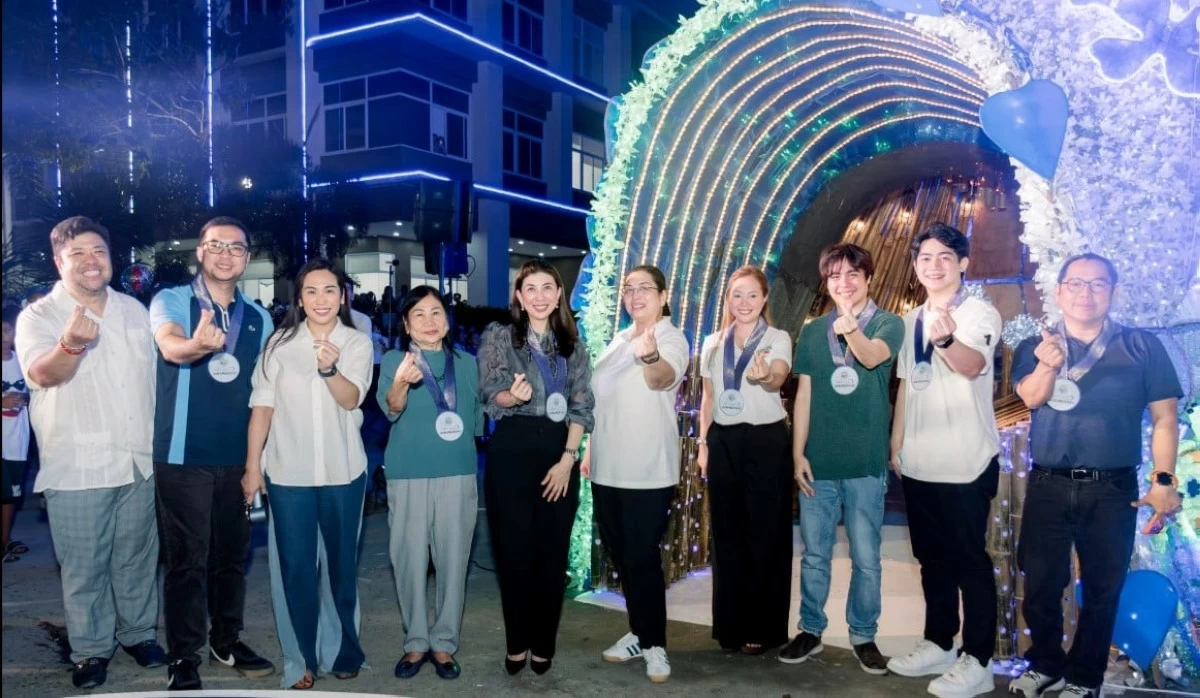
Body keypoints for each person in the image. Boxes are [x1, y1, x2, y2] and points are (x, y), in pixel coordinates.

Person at [1008, 253, 1182, 698]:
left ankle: (1085, 678)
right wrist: (1048, 364)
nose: (1086, 293)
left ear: (1114, 292)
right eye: (1077, 284)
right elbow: (1031, 398)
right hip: (1048, 483)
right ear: (1060, 291)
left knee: (1104, 588)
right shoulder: (1035, 343)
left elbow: (1164, 418)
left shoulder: (1142, 346)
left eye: (1098, 284)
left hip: (1113, 488)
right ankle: (1044, 664)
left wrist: (1164, 480)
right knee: (1041, 585)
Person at [15, 216, 164, 689]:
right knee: (85, 567)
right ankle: (91, 650)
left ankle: (139, 634)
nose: (90, 261)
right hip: (78, 465)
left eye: (97, 250)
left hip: (138, 460)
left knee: (138, 557)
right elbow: (43, 374)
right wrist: (71, 345)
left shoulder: (134, 312)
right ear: (59, 261)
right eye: (77, 253)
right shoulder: (38, 316)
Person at [149, 217, 276, 689]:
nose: (226, 254)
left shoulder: (259, 318)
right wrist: (193, 345)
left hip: (237, 457)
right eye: (216, 245)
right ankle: (184, 654)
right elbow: (168, 346)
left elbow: (263, 394)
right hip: (182, 455)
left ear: (247, 258)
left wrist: (254, 463)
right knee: (186, 560)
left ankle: (226, 639)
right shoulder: (172, 300)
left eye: (236, 247)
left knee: (231, 557)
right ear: (199, 252)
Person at [242, 259, 373, 690]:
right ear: (299, 298)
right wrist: (251, 467)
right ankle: (300, 661)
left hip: (343, 473)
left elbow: (352, 400)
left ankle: (342, 652)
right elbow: (262, 407)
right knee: (294, 569)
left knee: (341, 569)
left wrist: (329, 368)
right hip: (287, 474)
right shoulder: (278, 344)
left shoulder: (356, 342)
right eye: (312, 291)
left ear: (343, 296)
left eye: (330, 290)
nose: (321, 299)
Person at [886, 223, 1002, 698]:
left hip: (966, 461)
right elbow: (907, 388)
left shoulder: (979, 312)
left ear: (962, 264)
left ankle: (979, 659)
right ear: (916, 267)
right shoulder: (910, 319)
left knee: (968, 559)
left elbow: (972, 365)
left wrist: (948, 341)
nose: (933, 266)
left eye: (943, 257)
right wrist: (897, 445)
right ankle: (939, 641)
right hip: (918, 462)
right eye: (925, 258)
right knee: (930, 560)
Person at [780, 244, 904, 674]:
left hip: (866, 461)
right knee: (815, 553)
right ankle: (811, 629)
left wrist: (850, 328)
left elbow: (870, 358)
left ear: (868, 278)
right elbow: (805, 394)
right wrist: (798, 454)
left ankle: (863, 635)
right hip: (820, 461)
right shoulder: (814, 332)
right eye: (834, 276)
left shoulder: (889, 323)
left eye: (853, 274)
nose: (844, 283)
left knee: (867, 557)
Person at [477, 259, 594, 676]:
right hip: (512, 452)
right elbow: (490, 394)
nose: (540, 296)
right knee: (514, 555)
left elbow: (582, 407)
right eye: (531, 289)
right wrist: (511, 395)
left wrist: (568, 459)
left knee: (551, 554)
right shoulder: (500, 338)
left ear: (559, 294)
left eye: (548, 287)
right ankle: (516, 642)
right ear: (520, 297)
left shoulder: (574, 347)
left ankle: (543, 643)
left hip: (558, 454)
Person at [584, 265, 689, 683]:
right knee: (623, 558)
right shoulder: (618, 339)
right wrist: (589, 449)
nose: (636, 295)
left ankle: (655, 645)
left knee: (642, 559)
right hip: (607, 467)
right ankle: (638, 632)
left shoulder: (669, 337)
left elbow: (662, 377)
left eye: (645, 288)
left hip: (647, 470)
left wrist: (649, 356)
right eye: (629, 288)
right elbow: (600, 401)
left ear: (664, 295)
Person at [378, 286, 482, 681]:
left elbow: (474, 418)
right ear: (405, 324)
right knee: (409, 560)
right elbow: (391, 408)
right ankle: (416, 641)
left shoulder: (467, 364)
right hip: (408, 472)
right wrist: (402, 383)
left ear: (447, 319)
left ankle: (444, 643)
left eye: (436, 312)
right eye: (418, 314)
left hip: (457, 472)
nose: (429, 321)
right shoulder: (393, 360)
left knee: (454, 559)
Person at [697, 265, 794, 655]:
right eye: (737, 295)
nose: (744, 303)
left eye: (752, 295)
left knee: (764, 534)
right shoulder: (712, 343)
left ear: (764, 299)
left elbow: (779, 378)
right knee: (726, 534)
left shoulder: (777, 337)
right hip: (722, 441)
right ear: (728, 299)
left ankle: (763, 626)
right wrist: (704, 445)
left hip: (766, 441)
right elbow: (706, 397)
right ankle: (730, 627)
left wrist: (764, 376)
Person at [2, 305, 31, 563]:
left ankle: (5, 540)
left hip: (16, 440)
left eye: (8, 330)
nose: (3, 336)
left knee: (10, 495)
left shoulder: (23, 360)